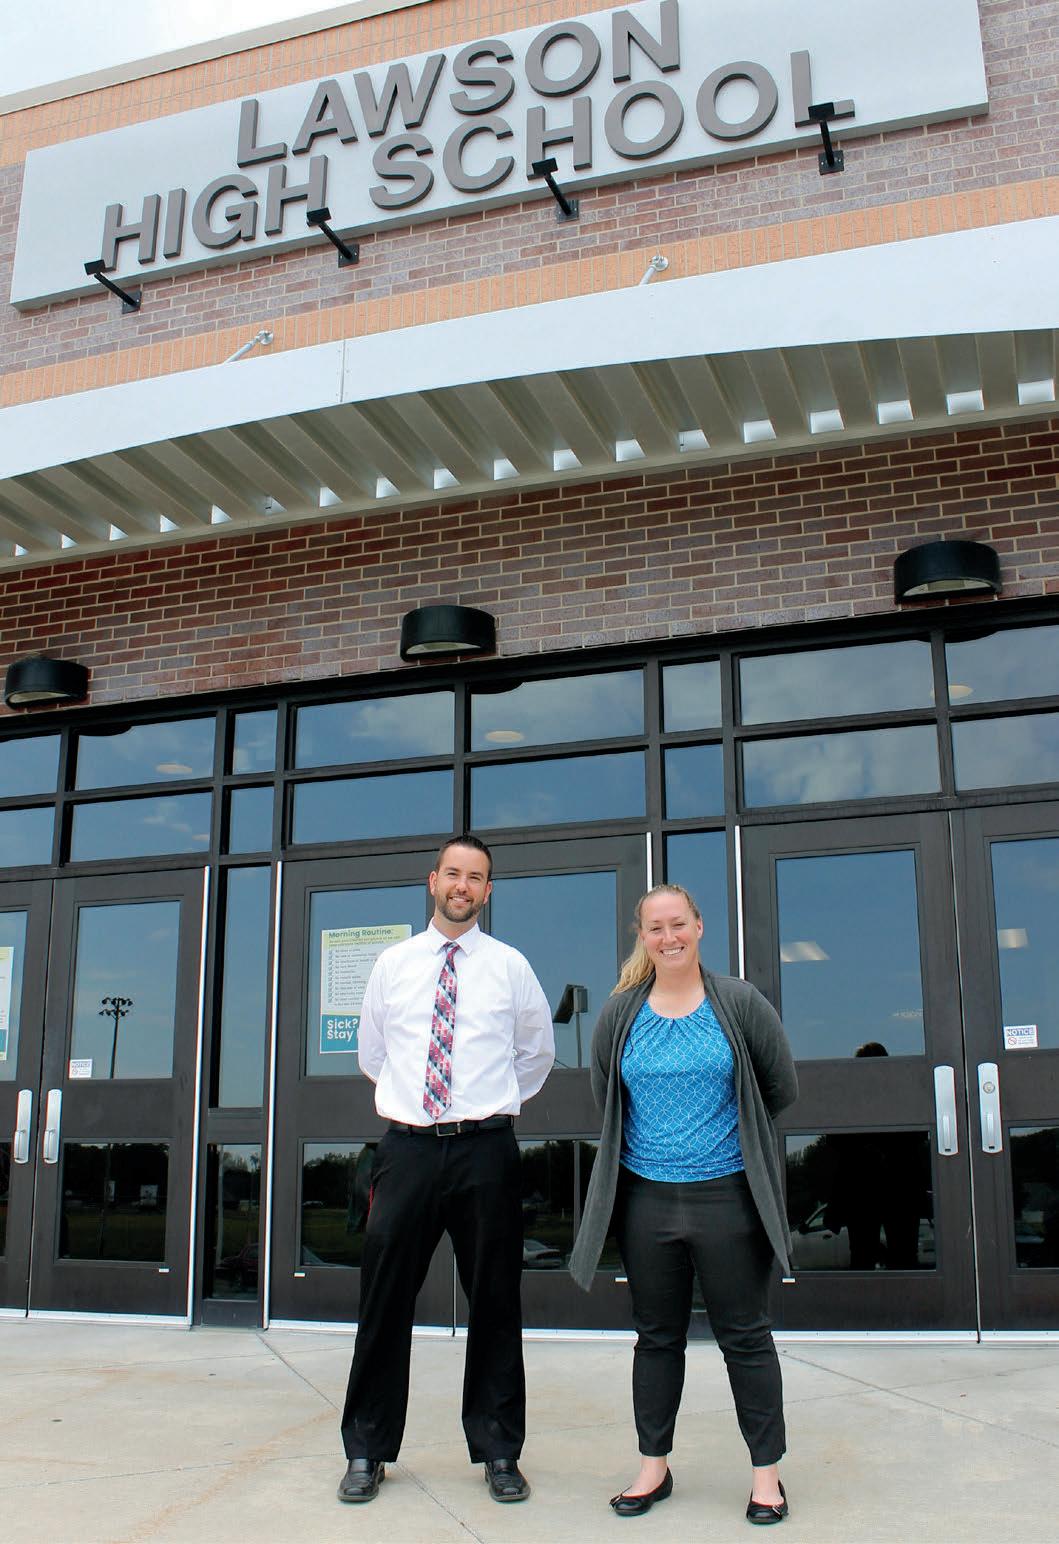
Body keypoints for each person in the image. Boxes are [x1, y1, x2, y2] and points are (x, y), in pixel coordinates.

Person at [568, 883, 798, 1525]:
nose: (668, 937)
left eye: (678, 924)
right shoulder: (620, 1014)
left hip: (728, 1196)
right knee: (656, 1338)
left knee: (745, 1337)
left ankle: (767, 1476)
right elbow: (606, 1097)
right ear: (641, 937)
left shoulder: (739, 1002)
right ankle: (654, 1468)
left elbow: (779, 1085)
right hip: (645, 1199)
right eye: (655, 928)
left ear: (699, 927)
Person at [338, 834, 555, 1506]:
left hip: (485, 1150)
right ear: (432, 881)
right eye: (453, 873)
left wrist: (483, 1105)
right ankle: (367, 1451)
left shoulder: (510, 966)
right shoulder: (394, 964)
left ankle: (499, 1451)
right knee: (383, 1302)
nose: (463, 885)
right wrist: (421, 1106)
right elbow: (374, 1055)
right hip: (406, 1149)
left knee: (495, 1302)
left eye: (476, 877)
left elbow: (536, 1054)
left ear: (488, 891)